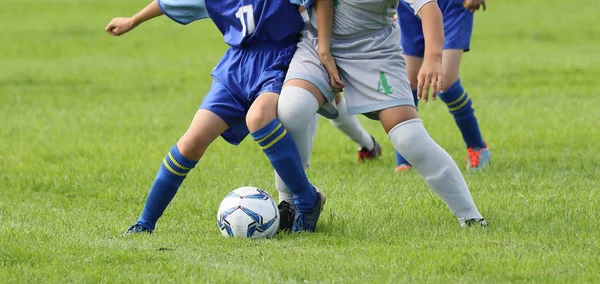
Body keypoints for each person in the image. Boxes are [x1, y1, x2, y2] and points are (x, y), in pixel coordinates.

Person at [105, 0, 325, 234]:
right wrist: (132, 21)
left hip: (278, 61)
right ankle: (145, 223)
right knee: (191, 142)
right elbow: (167, 3)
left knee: (259, 118)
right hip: (235, 69)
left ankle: (306, 201)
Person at [276, 0, 487, 228]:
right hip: (316, 46)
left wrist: (433, 58)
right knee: (292, 109)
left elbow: (429, 8)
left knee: (409, 137)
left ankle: (471, 216)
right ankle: (292, 204)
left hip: (374, 51)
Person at [394, 0, 490, 172]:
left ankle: (477, 147)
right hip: (408, 6)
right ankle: (405, 158)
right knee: (408, 83)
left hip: (451, 5)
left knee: (445, 82)